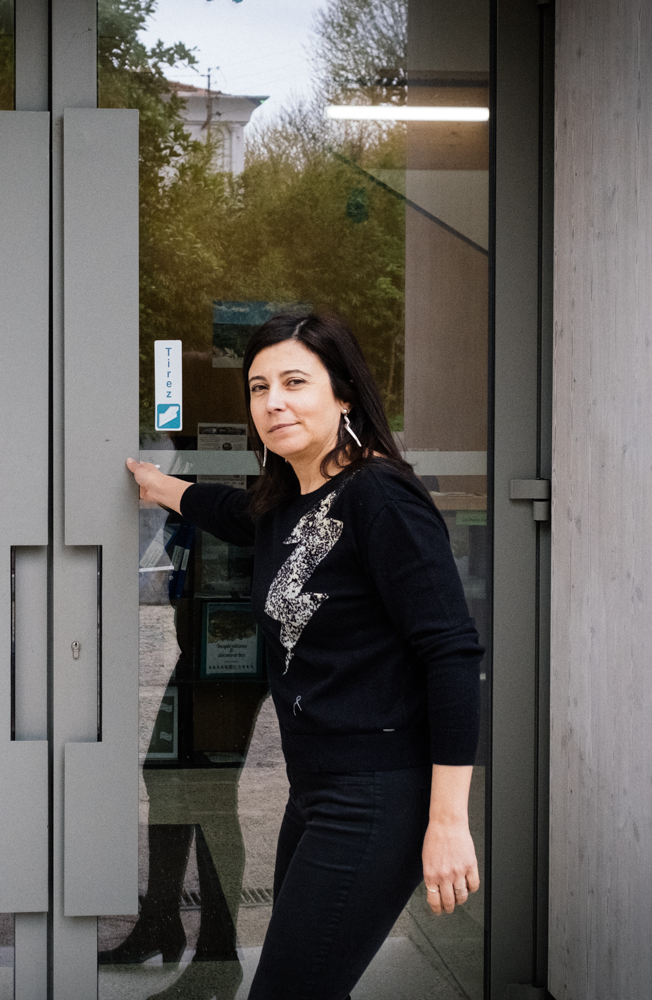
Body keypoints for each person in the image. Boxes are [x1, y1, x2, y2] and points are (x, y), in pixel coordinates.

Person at [125, 311, 483, 999]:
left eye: (294, 382)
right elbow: (233, 512)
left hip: (378, 791)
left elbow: (451, 653)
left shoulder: (382, 497)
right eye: (259, 388)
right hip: (318, 788)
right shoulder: (291, 495)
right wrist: (160, 487)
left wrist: (447, 823)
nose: (273, 402)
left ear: (343, 393)